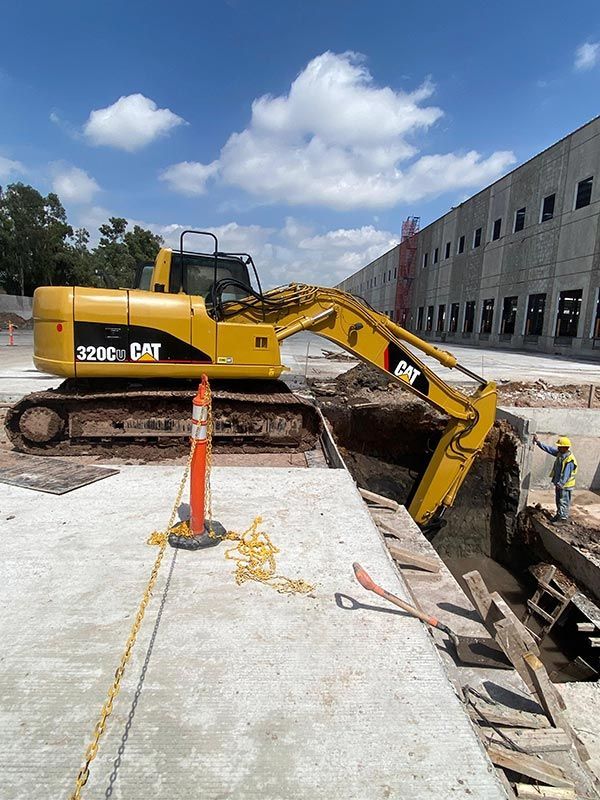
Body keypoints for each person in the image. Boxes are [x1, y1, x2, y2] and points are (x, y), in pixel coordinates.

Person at [532, 434, 578, 523]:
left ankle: (563, 519)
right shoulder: (560, 454)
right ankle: (559, 515)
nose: (558, 448)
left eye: (560, 447)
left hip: (565, 485)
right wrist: (538, 443)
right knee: (558, 500)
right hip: (559, 484)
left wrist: (561, 484)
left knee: (563, 501)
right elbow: (549, 449)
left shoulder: (569, 460)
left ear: (566, 447)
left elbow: (566, 474)